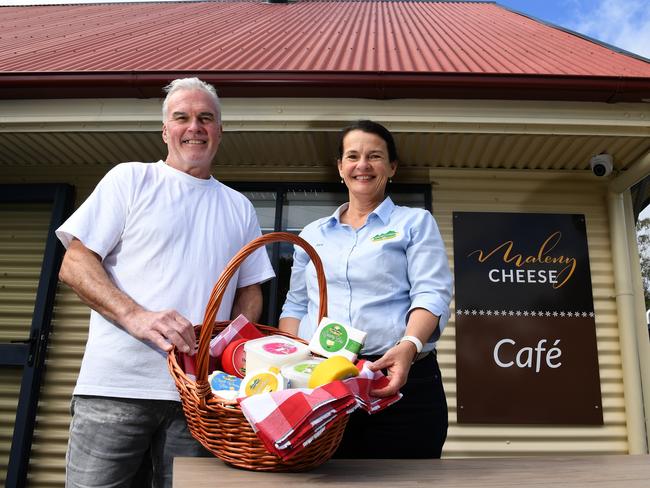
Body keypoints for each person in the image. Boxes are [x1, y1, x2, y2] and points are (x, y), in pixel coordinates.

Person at [56, 77, 275, 487]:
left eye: (206, 118)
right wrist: (136, 316)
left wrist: (229, 354)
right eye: (183, 117)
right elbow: (75, 262)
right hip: (117, 388)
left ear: (220, 131)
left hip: (200, 398)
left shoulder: (239, 206)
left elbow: (250, 290)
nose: (195, 127)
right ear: (165, 130)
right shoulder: (131, 179)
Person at [279, 120, 452, 458]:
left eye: (375, 156)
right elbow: (295, 306)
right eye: (353, 156)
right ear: (340, 167)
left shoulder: (414, 223)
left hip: (398, 378)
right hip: (324, 379)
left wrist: (410, 346)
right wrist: (294, 364)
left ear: (392, 167)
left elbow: (431, 293)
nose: (363, 165)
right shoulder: (311, 234)